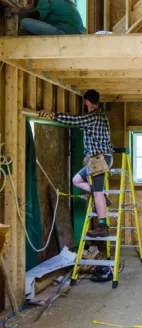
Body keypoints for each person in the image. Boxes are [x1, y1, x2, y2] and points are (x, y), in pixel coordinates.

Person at [39, 89, 113, 238]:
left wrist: (53, 115)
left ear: (86, 102)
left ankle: (103, 226)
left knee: (98, 192)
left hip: (100, 160)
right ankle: (103, 200)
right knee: (76, 180)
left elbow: (75, 120)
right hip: (97, 160)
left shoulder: (92, 117)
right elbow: (86, 129)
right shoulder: (101, 116)